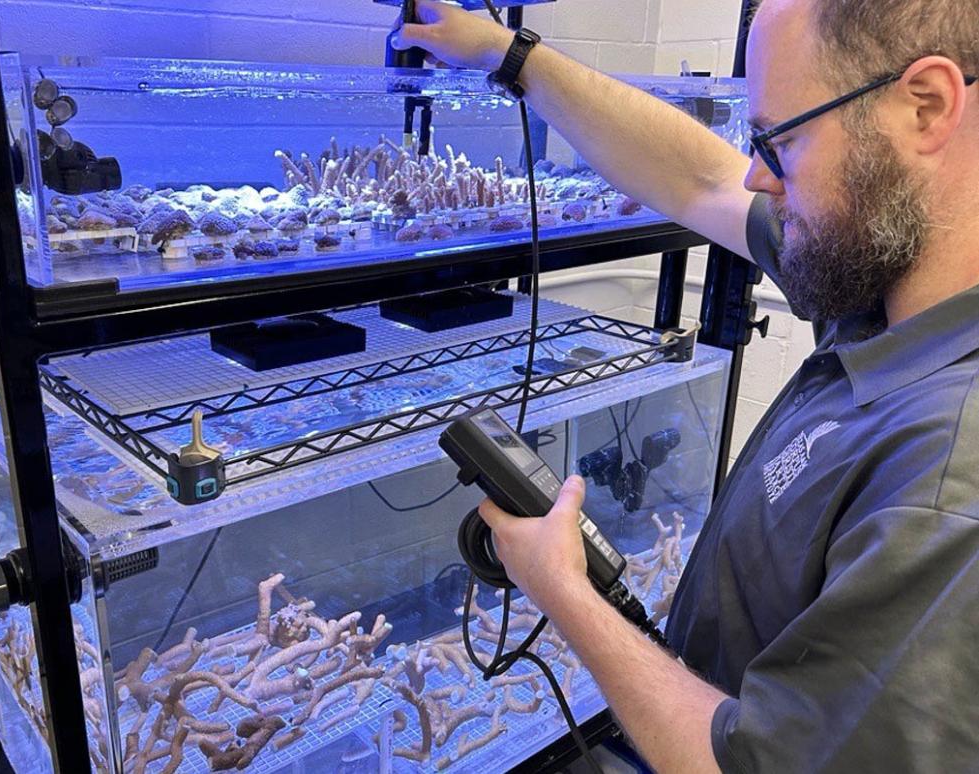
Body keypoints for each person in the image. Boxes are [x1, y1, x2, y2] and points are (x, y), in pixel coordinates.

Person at [396, 0, 979, 771]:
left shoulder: (947, 474)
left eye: (781, 139)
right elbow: (698, 178)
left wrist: (562, 590)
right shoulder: (884, 279)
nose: (755, 172)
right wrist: (508, 56)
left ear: (926, 105)